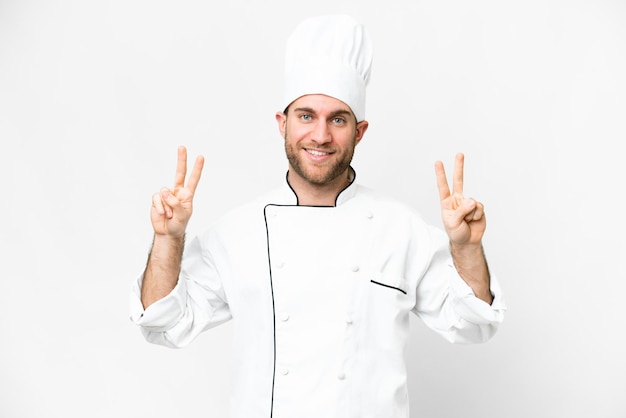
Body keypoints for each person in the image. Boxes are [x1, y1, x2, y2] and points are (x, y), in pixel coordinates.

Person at [130, 14, 505, 418]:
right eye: (306, 116)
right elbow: (162, 323)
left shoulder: (401, 229)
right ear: (282, 124)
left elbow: (473, 324)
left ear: (359, 131)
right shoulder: (239, 231)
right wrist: (168, 240)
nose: (321, 136)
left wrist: (467, 249)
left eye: (337, 119)